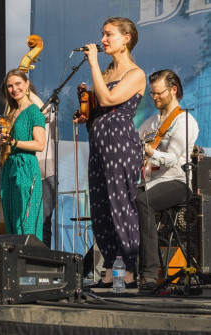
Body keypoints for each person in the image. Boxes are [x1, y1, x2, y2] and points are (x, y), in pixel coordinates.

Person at [75, 17, 146, 288]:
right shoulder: (105, 74)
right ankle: (109, 270)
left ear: (126, 39)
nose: (103, 40)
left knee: (120, 205)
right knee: (101, 207)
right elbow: (98, 107)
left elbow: (108, 100)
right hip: (99, 142)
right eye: (102, 34)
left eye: (109, 35)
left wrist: (92, 62)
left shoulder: (135, 74)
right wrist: (86, 115)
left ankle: (128, 271)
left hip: (120, 143)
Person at [137, 70, 198, 291]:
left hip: (178, 182)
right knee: (119, 202)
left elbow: (172, 160)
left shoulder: (184, 120)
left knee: (144, 202)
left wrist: (150, 152)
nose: (154, 98)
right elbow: (136, 144)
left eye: (158, 93)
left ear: (173, 90)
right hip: (149, 182)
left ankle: (150, 274)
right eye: (152, 94)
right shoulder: (151, 123)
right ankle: (117, 269)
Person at [0, 68, 46, 238]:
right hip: (9, 167)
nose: (14, 89)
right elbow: (6, 143)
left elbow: (40, 144)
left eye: (18, 84)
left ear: (27, 84)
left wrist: (14, 142)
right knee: (11, 219)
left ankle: (30, 262)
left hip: (26, 167)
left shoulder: (34, 111)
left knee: (25, 220)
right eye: (9, 86)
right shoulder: (10, 113)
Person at [39, 106, 56, 248]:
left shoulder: (46, 109)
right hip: (25, 171)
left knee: (44, 221)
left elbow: (50, 112)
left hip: (46, 172)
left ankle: (43, 262)